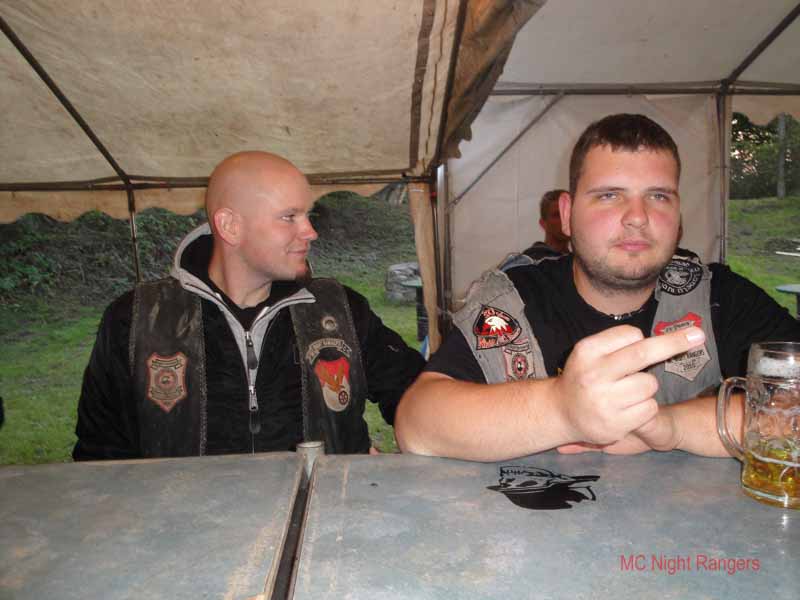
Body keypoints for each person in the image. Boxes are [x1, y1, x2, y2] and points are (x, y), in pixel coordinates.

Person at [395, 113, 800, 462]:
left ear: (678, 215)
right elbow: (417, 424)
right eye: (609, 195)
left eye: (658, 196)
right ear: (567, 214)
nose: (637, 217)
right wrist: (562, 409)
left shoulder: (718, 296)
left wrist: (670, 427)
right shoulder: (514, 299)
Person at [74, 151, 425, 460]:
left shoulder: (341, 309)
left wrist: (381, 473)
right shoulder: (136, 319)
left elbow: (418, 396)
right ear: (229, 226)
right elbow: (100, 454)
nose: (310, 231)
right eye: (289, 217)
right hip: (183, 516)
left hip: (326, 512)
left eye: (307, 215)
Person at [521, 189, 570, 259]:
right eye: (557, 215)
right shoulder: (529, 261)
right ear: (543, 223)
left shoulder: (578, 260)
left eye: (569, 213)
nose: (565, 219)